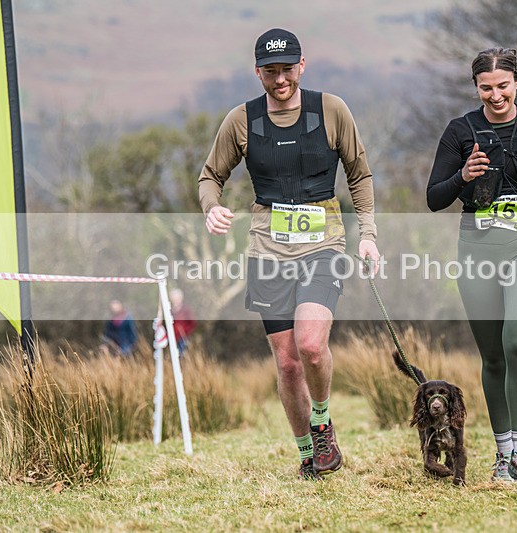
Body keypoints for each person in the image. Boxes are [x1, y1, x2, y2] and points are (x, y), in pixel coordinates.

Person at [198, 28, 380, 480]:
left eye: (287, 69)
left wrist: (368, 234)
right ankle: (307, 452)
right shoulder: (242, 120)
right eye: (271, 71)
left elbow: (359, 173)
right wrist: (212, 207)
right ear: (258, 72)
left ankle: (322, 422)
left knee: (312, 347)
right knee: (286, 361)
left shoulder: (331, 110)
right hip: (267, 249)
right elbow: (209, 176)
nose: (280, 80)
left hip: (324, 242)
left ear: (303, 65)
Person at [426, 48, 517, 483]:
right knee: (492, 355)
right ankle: (503, 453)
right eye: (486, 88)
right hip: (477, 249)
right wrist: (463, 177)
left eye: (502, 86)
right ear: (476, 88)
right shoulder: (459, 131)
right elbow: (434, 198)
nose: (495, 96)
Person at [169, 288, 196, 355]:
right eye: (173, 299)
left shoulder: (186, 309)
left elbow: (192, 323)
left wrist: (183, 332)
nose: (175, 301)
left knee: (183, 356)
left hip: (183, 338)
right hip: (172, 337)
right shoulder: (169, 310)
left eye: (176, 298)